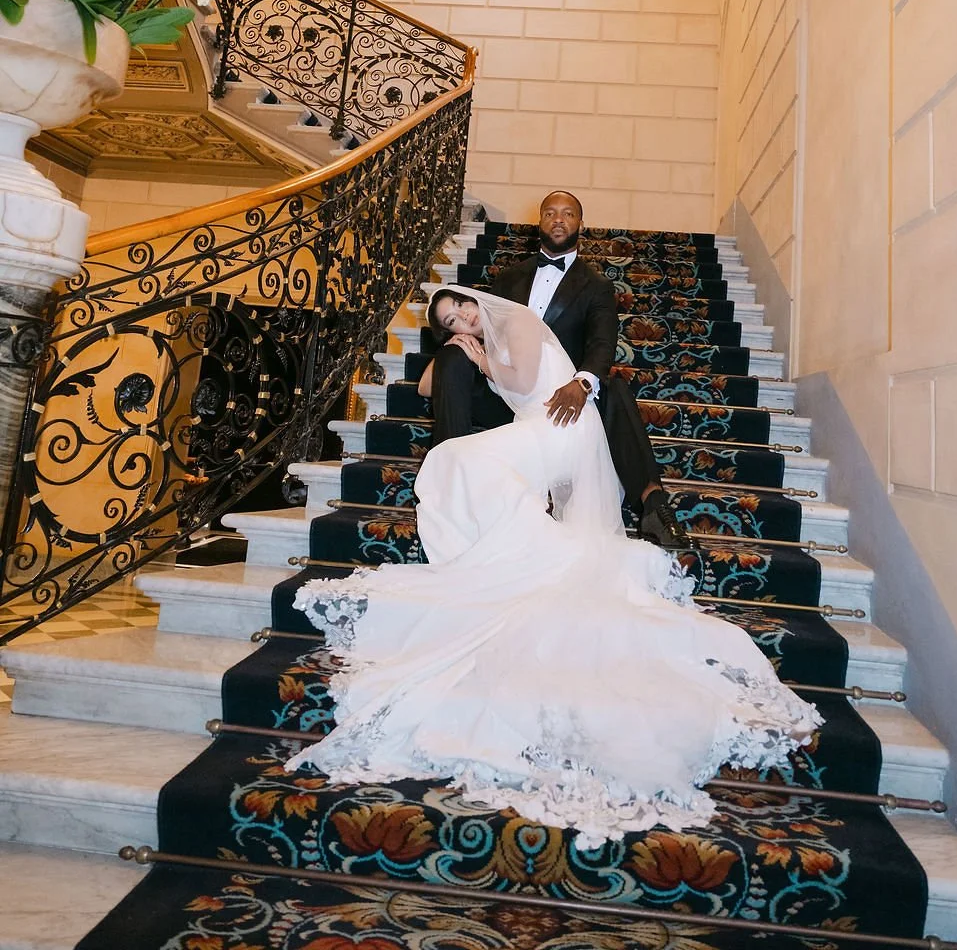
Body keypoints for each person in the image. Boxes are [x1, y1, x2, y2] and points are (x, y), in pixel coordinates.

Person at [288, 286, 820, 844]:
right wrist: (456, 349)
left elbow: (518, 383)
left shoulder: (514, 321)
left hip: (562, 428)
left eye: (463, 309)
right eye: (449, 320)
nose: (462, 319)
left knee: (459, 458)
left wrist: (480, 355)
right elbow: (425, 386)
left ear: (476, 300)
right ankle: (489, 551)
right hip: (537, 429)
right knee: (457, 459)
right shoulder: (476, 337)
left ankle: (502, 551)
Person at [418, 190, 687, 549]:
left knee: (615, 389)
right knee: (452, 357)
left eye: (568, 214)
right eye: (550, 213)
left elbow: (602, 344)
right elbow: (483, 326)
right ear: (539, 221)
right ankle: (451, 474)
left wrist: (582, 381)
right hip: (510, 394)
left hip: (561, 395)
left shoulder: (597, 286)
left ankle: (654, 504)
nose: (558, 220)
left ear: (579, 223)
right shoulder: (509, 279)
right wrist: (458, 346)